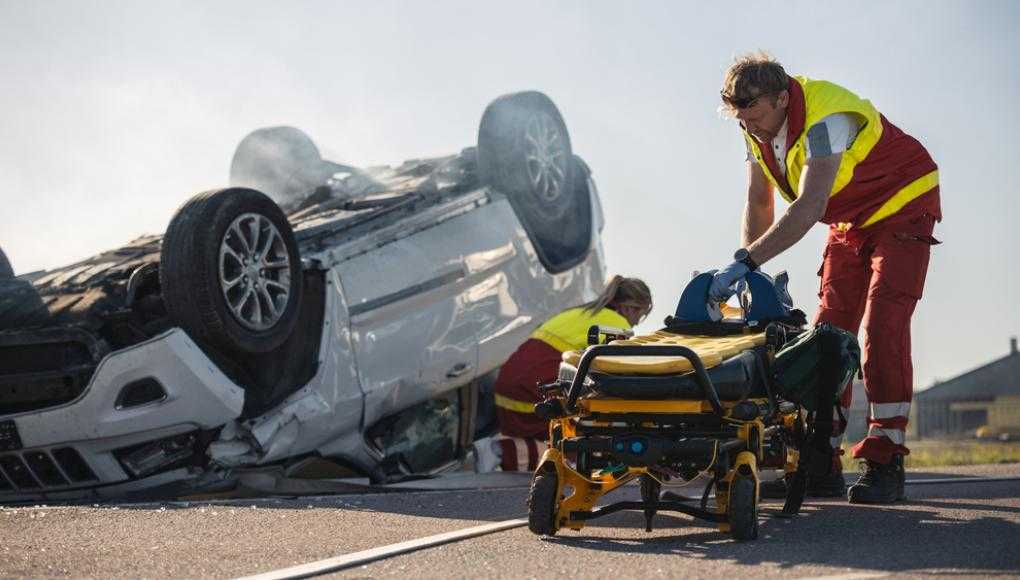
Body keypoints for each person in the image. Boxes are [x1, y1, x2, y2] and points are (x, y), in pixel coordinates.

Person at [712, 52, 941, 504]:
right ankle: (819, 459)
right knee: (826, 337)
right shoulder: (753, 128)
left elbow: (809, 206)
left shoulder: (827, 118)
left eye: (754, 115)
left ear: (782, 98)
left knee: (882, 329)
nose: (749, 127)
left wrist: (749, 261)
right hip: (850, 220)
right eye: (740, 118)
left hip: (903, 204)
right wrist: (747, 270)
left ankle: (884, 460)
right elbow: (760, 204)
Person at [474, 275, 652, 472]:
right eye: (641, 315)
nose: (637, 323)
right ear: (630, 308)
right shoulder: (618, 327)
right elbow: (618, 376)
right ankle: (498, 451)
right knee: (583, 441)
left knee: (563, 439)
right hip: (534, 391)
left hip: (508, 387)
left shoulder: (579, 313)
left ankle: (499, 451)